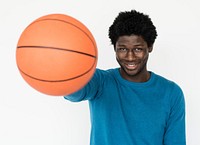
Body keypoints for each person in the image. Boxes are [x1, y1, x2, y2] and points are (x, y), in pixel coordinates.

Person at [64, 9, 186, 145]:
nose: (130, 57)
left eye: (138, 49)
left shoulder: (171, 93)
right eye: (122, 49)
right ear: (115, 48)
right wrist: (61, 63)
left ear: (150, 47)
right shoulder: (100, 82)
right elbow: (73, 91)